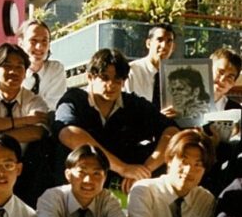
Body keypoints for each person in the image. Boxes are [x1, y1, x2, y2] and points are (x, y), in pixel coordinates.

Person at [53, 48, 178, 193]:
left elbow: (172, 131)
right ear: (90, 77)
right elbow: (68, 133)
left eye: (117, 80)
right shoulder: (74, 99)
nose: (111, 85)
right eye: (104, 78)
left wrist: (144, 170)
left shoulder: (134, 104)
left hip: (123, 183)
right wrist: (123, 168)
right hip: (81, 179)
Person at [0, 43, 50, 204]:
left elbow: (37, 133)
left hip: (24, 170)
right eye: (7, 66)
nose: (13, 72)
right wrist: (24, 121)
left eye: (19, 67)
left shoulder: (34, 100)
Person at [202, 47, 242, 196]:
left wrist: (219, 145)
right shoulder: (186, 100)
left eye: (230, 77)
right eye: (220, 72)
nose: (222, 80)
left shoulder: (237, 111)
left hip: (222, 169)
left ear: (233, 83)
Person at [16, 18, 68, 110]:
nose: (39, 47)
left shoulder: (55, 69)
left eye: (44, 41)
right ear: (21, 44)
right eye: (33, 41)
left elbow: (55, 104)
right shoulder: (12, 73)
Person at [124, 23, 176, 108]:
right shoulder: (131, 71)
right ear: (148, 43)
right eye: (159, 40)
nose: (164, 46)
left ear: (173, 47)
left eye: (169, 41)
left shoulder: (176, 75)